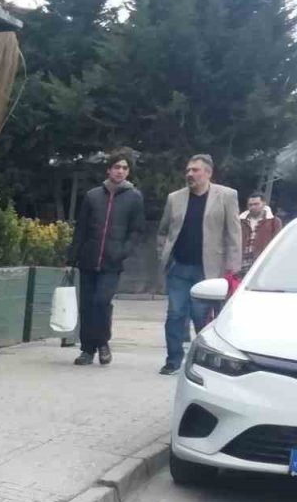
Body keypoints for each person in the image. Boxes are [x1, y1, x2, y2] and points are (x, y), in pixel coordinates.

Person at [155, 154, 242, 375]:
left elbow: (234, 234)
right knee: (175, 314)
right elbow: (163, 231)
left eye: (195, 170)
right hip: (180, 267)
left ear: (208, 173)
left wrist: (232, 269)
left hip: (209, 271)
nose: (190, 174)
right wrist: (163, 253)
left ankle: (205, 361)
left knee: (201, 316)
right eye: (188, 170)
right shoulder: (175, 198)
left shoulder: (226, 196)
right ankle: (173, 359)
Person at [66, 149, 146, 366]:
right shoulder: (93, 196)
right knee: (87, 305)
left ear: (128, 172)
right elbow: (80, 230)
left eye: (124, 168)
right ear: (109, 169)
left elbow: (137, 231)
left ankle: (102, 343)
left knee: (102, 302)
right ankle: (87, 350)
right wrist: (71, 260)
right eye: (117, 167)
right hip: (89, 260)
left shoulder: (134, 197)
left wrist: (123, 251)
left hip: (112, 262)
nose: (120, 171)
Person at [240, 192, 282, 275]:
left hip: (262, 262)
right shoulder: (240, 221)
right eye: (250, 205)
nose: (253, 207)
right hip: (241, 262)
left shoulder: (274, 222)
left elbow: (278, 244)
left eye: (256, 204)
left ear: (264, 204)